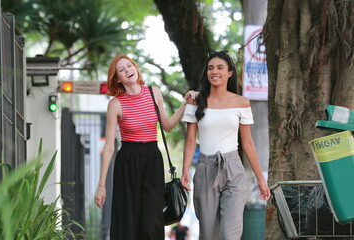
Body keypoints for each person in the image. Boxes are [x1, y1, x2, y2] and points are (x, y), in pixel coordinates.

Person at [94, 54, 197, 240]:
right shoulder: (115, 104)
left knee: (152, 221)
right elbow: (109, 147)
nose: (128, 70)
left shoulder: (153, 92)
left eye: (129, 66)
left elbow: (167, 126)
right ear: (117, 78)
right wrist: (101, 186)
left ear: (135, 68)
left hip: (152, 158)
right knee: (127, 220)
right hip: (127, 160)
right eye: (122, 70)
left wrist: (185, 104)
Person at [180, 50, 271, 240]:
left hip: (233, 169)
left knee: (230, 234)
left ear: (229, 73)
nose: (215, 72)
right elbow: (190, 141)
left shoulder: (241, 102)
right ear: (206, 72)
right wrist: (185, 170)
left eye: (220, 68)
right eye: (211, 68)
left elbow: (248, 144)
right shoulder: (196, 102)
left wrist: (261, 180)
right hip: (205, 169)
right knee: (208, 234)